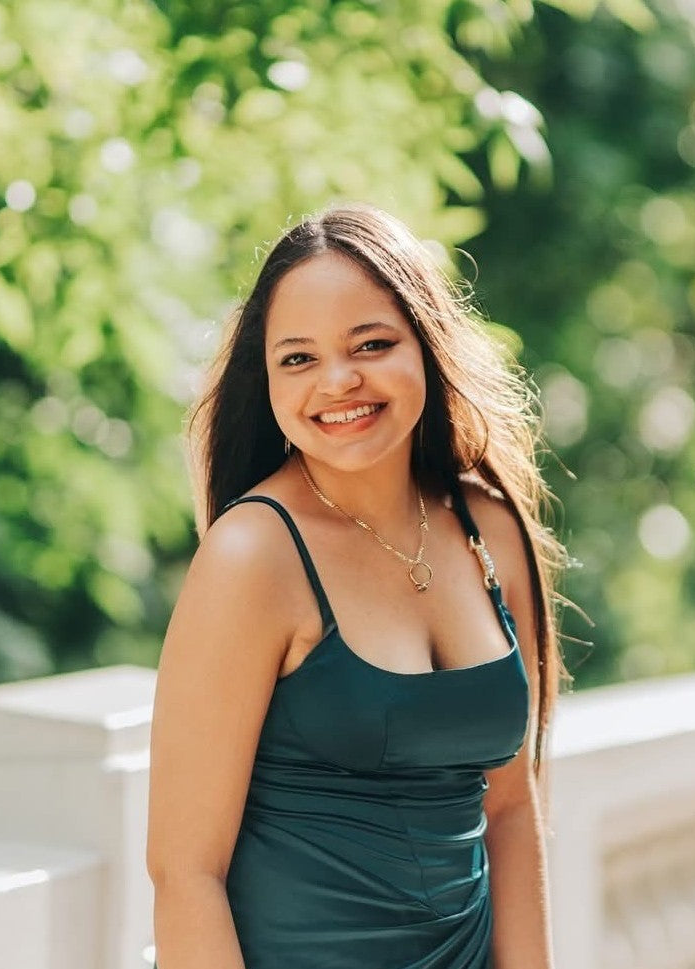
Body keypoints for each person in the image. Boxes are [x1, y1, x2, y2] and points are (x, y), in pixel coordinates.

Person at [146, 203, 569, 969]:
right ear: (267, 379)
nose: (339, 381)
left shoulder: (488, 527)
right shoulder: (253, 556)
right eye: (298, 358)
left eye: (371, 344)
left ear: (425, 347)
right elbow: (185, 873)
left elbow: (510, 808)